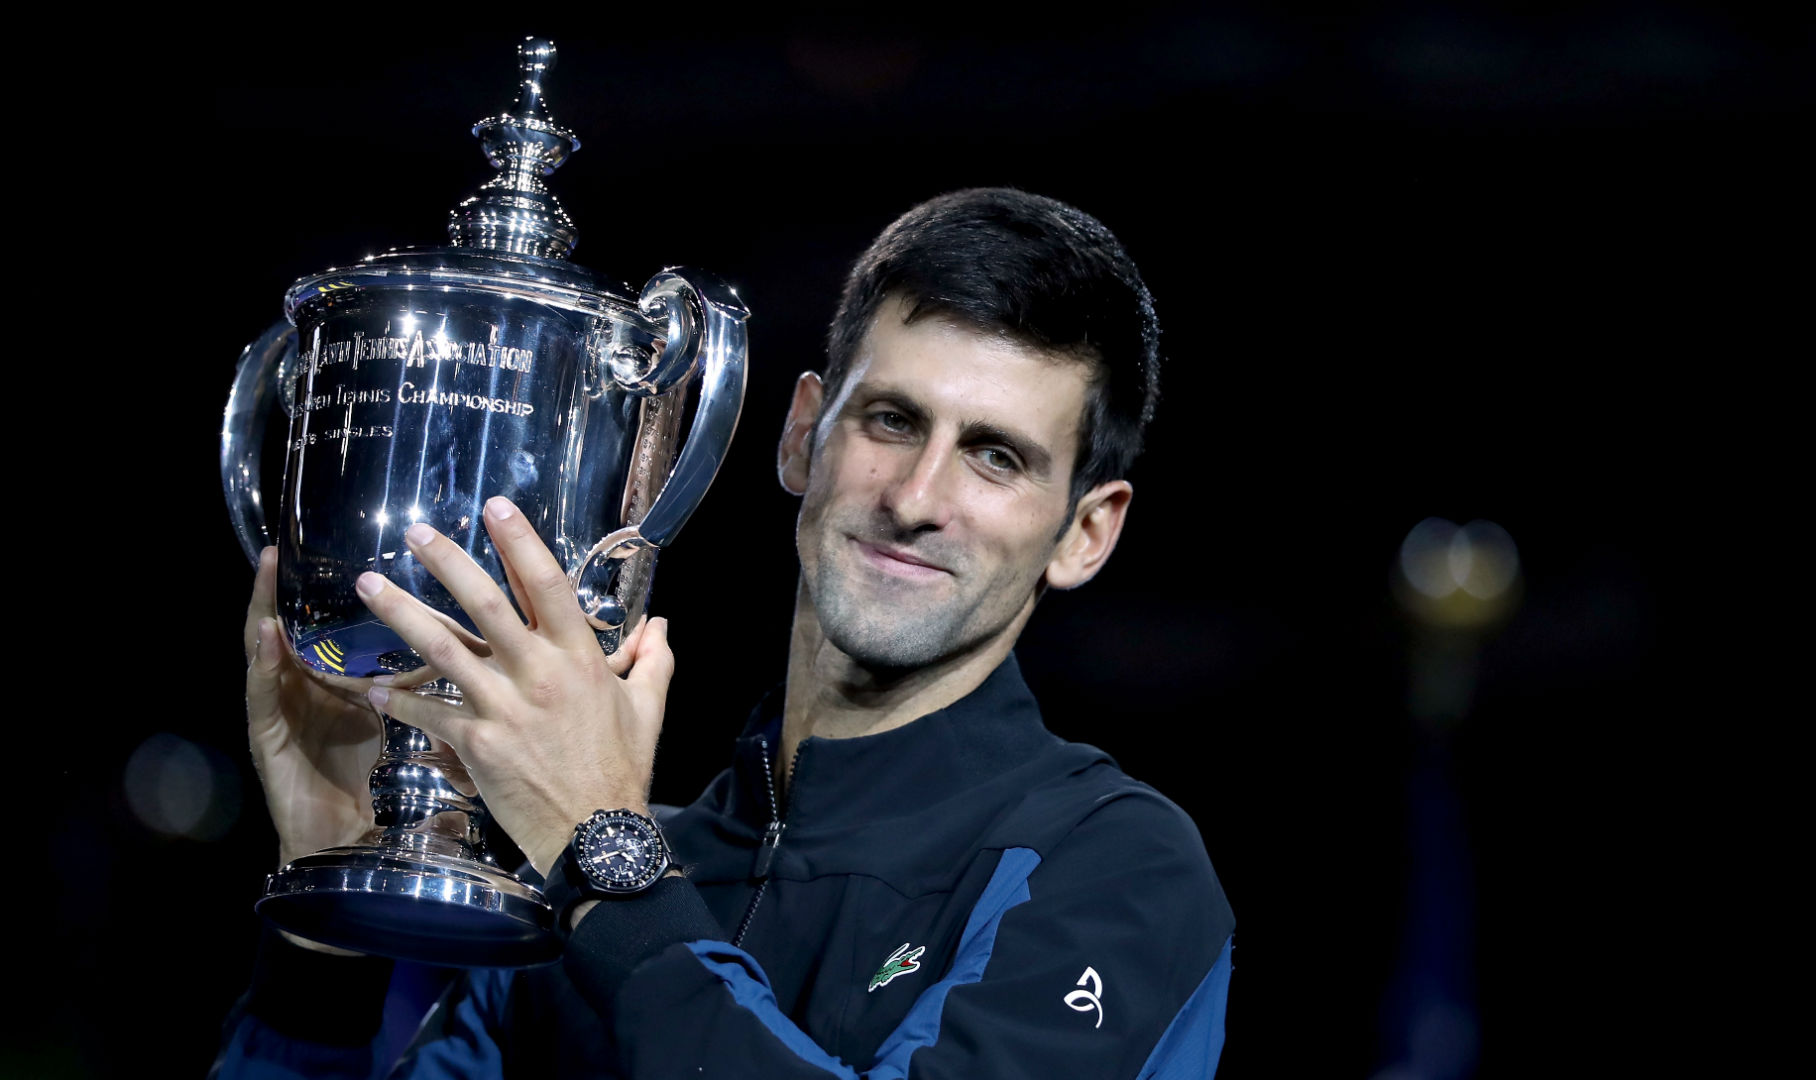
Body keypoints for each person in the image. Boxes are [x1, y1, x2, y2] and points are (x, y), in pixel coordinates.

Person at [214, 187, 1235, 1079]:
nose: (919, 498)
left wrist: (602, 858)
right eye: (889, 420)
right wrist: (328, 942)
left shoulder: (1114, 869)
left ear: (1086, 532)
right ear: (802, 435)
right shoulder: (607, 876)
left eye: (996, 457)